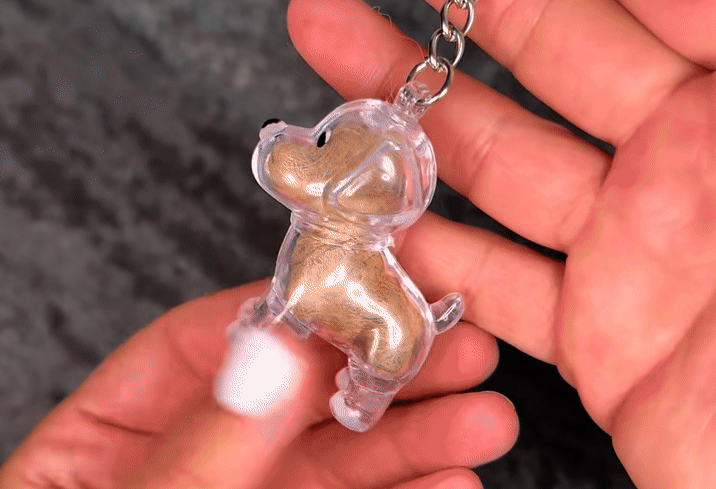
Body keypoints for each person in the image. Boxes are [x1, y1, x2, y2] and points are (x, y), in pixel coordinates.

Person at [1, 0, 714, 487]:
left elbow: (298, 296)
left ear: (351, 191)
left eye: (318, 146)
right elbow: (294, 295)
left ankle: (368, 392)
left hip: (394, 333)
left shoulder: (335, 247)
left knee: (383, 356)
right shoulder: (324, 242)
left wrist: (334, 385)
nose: (287, 138)